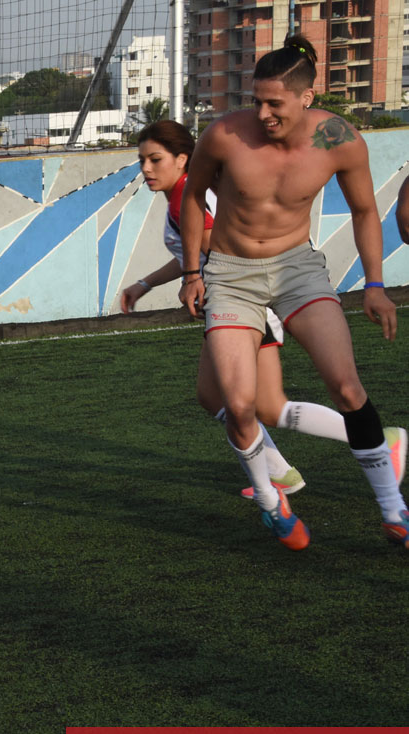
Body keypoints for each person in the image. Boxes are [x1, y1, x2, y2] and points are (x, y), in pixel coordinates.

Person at [180, 35, 408, 550]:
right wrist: (193, 272)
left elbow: (365, 212)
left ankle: (395, 511)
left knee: (347, 388)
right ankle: (270, 502)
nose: (262, 113)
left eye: (274, 103)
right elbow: (193, 197)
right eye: (256, 100)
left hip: (298, 269)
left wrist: (375, 285)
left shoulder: (340, 139)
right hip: (232, 274)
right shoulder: (224, 135)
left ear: (306, 98)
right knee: (239, 406)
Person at [121, 120, 404, 500]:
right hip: (233, 300)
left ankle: (364, 450)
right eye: (142, 160)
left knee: (246, 403)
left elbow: (214, 251)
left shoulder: (188, 194)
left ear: (182, 159)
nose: (146, 169)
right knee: (247, 403)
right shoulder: (186, 196)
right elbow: (194, 252)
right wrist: (147, 283)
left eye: (155, 159)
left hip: (244, 301)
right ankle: (283, 472)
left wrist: (194, 283)